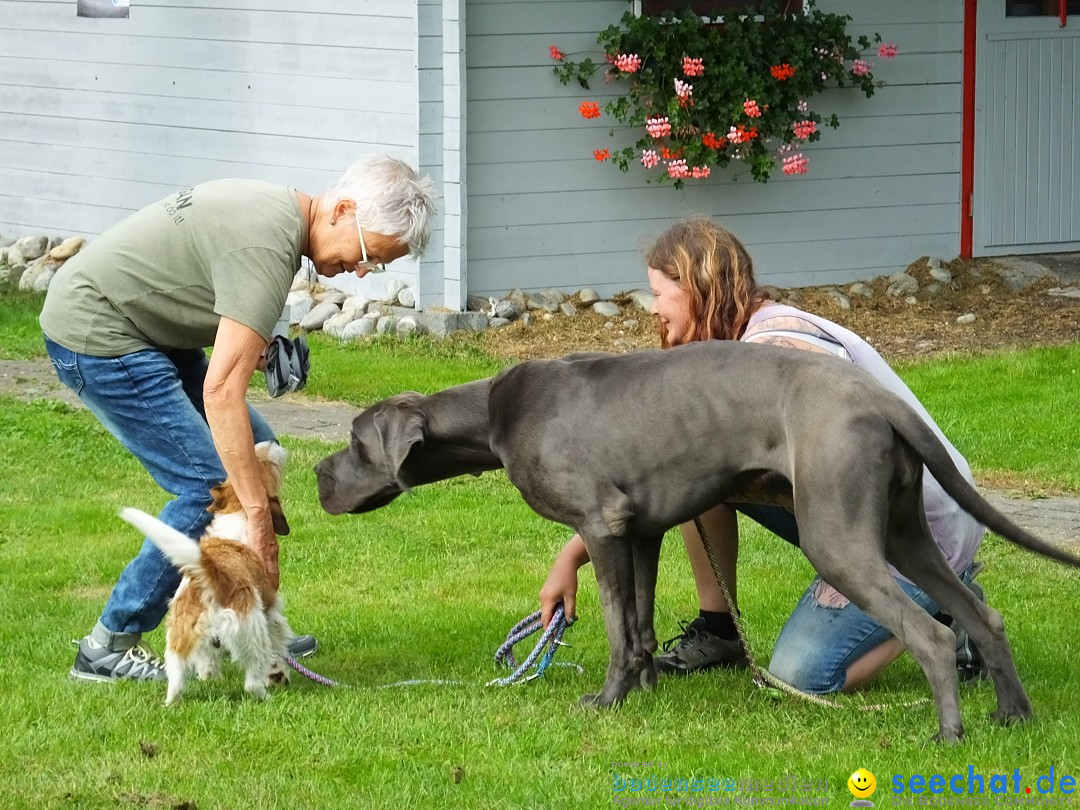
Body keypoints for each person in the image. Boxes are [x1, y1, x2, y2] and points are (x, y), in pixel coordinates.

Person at [539, 217, 988, 695]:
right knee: (686, 460)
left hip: (919, 527)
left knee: (806, 677)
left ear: (696, 286)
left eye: (659, 293)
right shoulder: (740, 350)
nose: (653, 310)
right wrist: (576, 554)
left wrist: (574, 552)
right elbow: (669, 469)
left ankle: (945, 610)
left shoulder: (777, 349)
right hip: (859, 508)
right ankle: (719, 630)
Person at [41, 154, 437, 682]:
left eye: (378, 266)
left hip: (151, 332)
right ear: (343, 210)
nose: (362, 271)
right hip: (101, 335)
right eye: (368, 254)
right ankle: (108, 643)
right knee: (210, 483)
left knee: (260, 448)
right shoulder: (267, 244)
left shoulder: (280, 218)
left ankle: (245, 616)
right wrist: (255, 515)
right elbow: (222, 391)